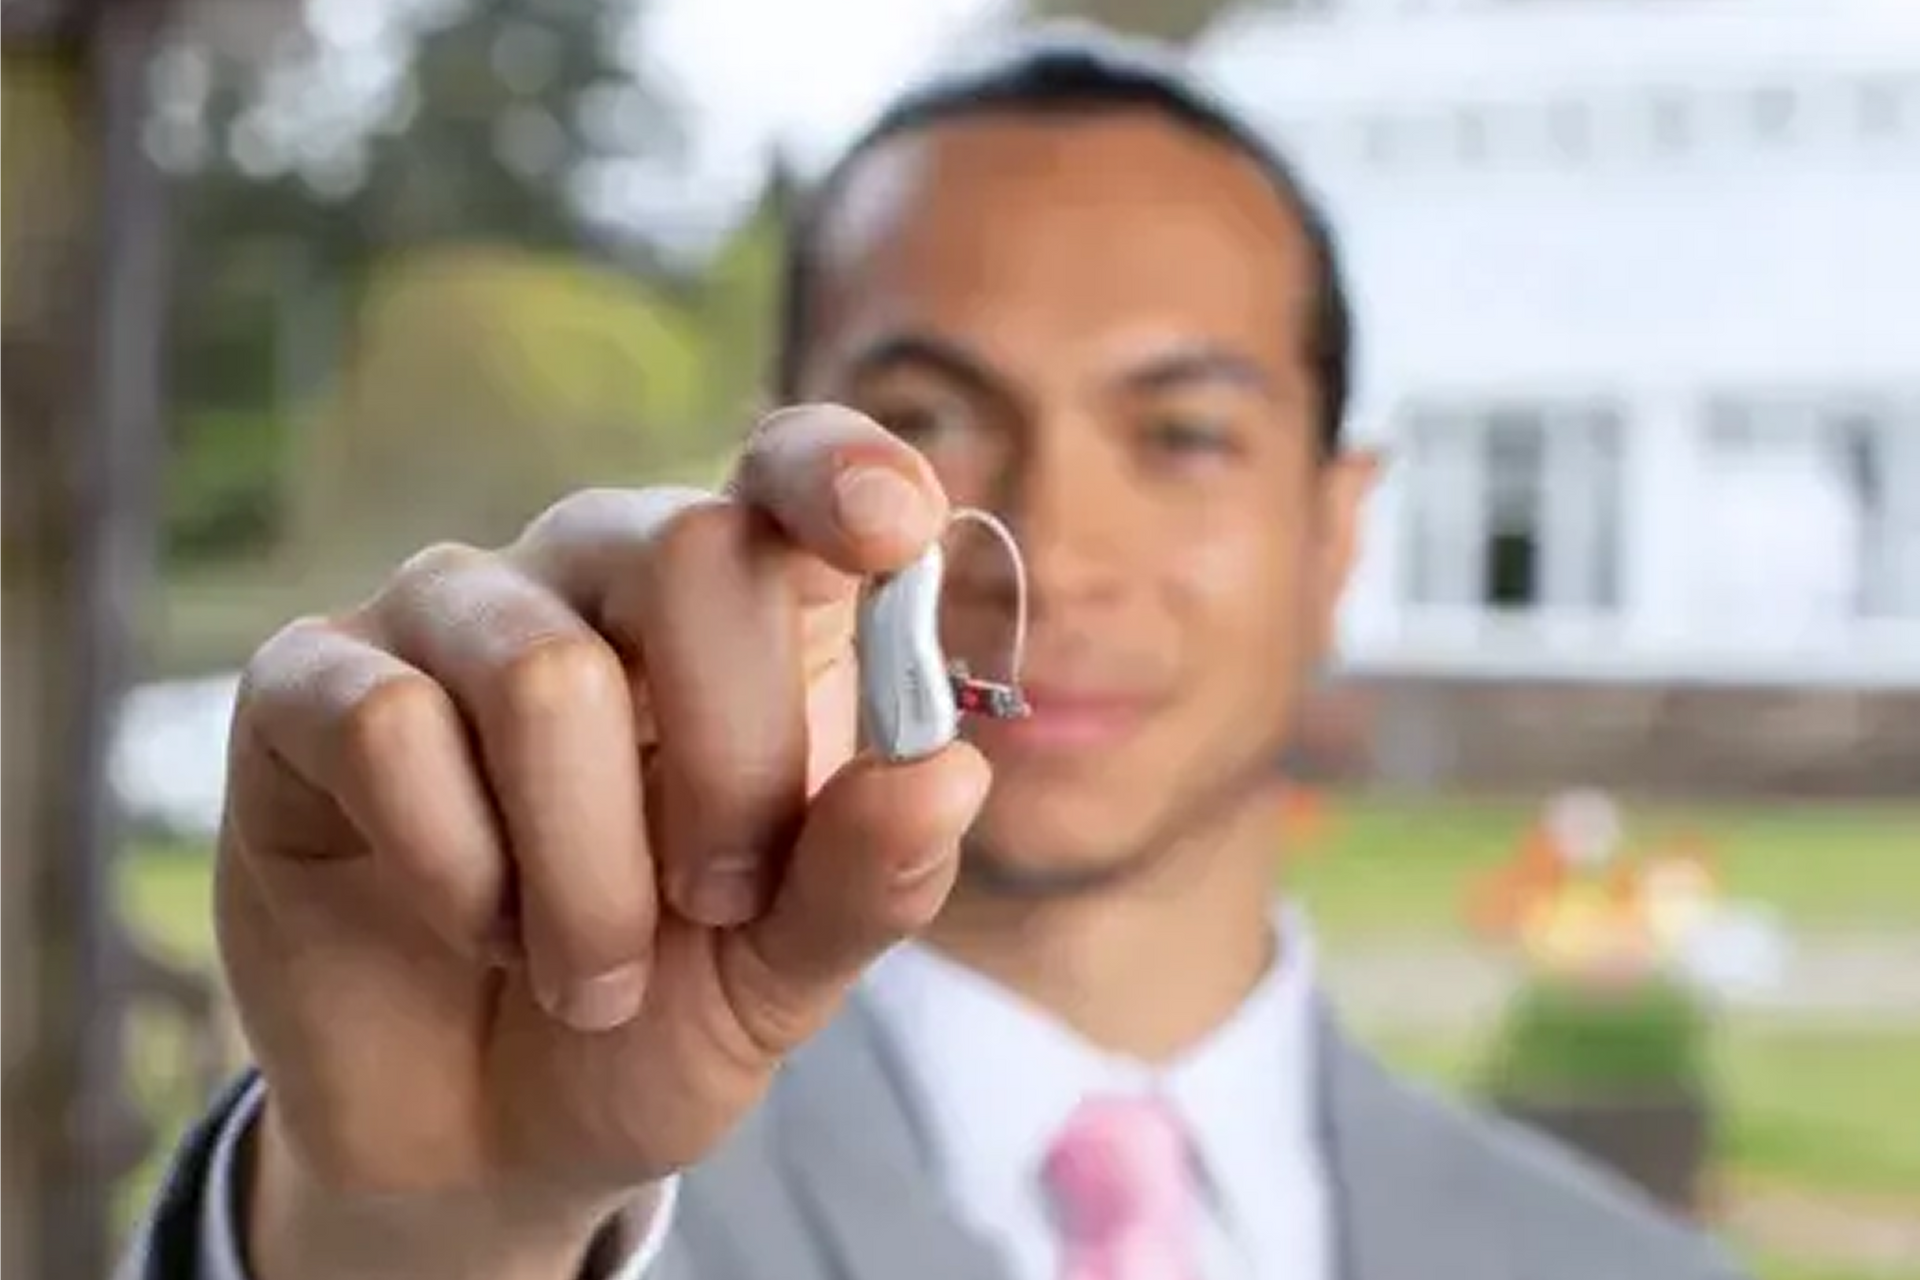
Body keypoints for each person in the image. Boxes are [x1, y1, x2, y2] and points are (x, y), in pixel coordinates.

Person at [125, 26, 1749, 1280]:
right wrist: (419, 1237)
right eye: (926, 420)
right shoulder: (565, 1200)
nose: (1055, 547)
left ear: (1338, 532)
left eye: (1181, 433)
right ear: (782, 476)